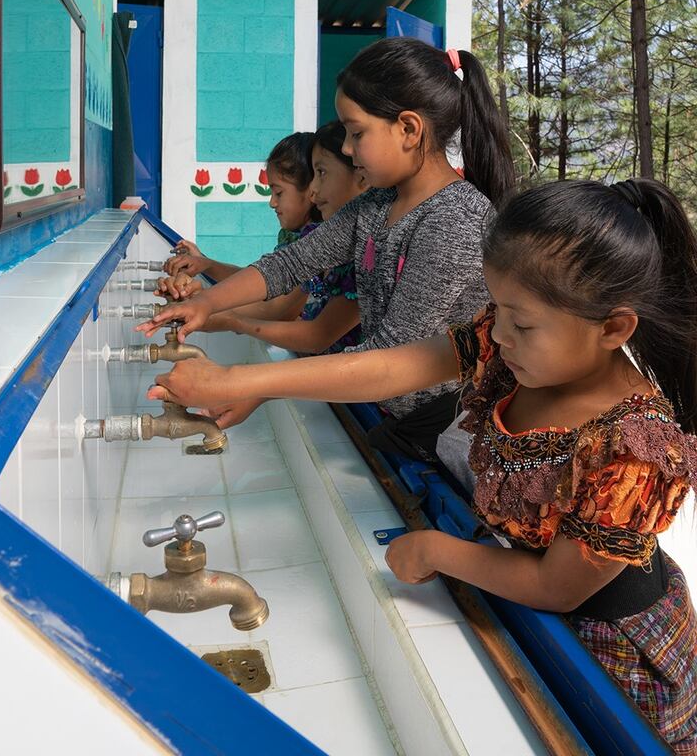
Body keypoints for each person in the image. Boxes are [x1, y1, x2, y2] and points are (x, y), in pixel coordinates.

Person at [150, 178, 697, 752]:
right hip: (534, 599)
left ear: (613, 328)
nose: (500, 335)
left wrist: (437, 549)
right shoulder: (517, 350)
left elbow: (557, 586)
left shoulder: (634, 449)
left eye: (523, 324)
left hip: (606, 650)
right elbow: (395, 368)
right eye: (497, 311)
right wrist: (249, 382)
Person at [139, 36, 515, 419]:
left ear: (408, 130)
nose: (348, 149)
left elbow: (389, 359)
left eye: (357, 133)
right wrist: (205, 303)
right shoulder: (376, 205)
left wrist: (240, 380)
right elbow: (288, 265)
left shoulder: (455, 220)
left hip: (443, 426)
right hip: (393, 414)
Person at [200, 121, 367, 429]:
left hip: (359, 397)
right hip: (332, 381)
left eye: (322, 173)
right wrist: (207, 287)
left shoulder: (359, 249)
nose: (315, 190)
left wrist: (226, 317)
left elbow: (295, 319)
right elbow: (268, 278)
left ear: (362, 176)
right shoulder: (326, 239)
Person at [160, 131, 321, 323]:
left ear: (312, 190)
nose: (272, 203)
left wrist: (201, 301)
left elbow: (278, 310)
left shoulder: (319, 242)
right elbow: (261, 282)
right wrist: (206, 264)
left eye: (279, 193)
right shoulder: (291, 235)